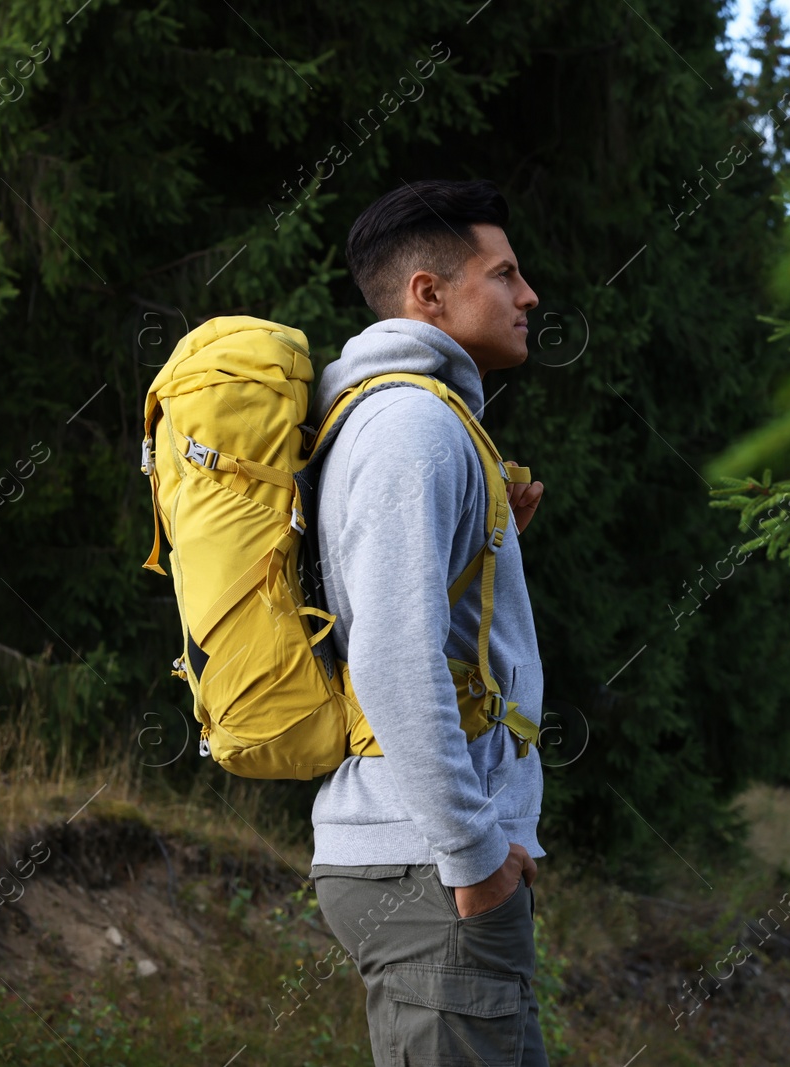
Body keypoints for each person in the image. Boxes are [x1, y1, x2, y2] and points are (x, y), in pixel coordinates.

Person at [307, 177, 550, 1066]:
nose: (528, 297)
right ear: (428, 293)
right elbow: (391, 657)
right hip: (430, 866)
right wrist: (475, 854)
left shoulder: (414, 422)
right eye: (505, 274)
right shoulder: (414, 424)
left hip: (431, 864)